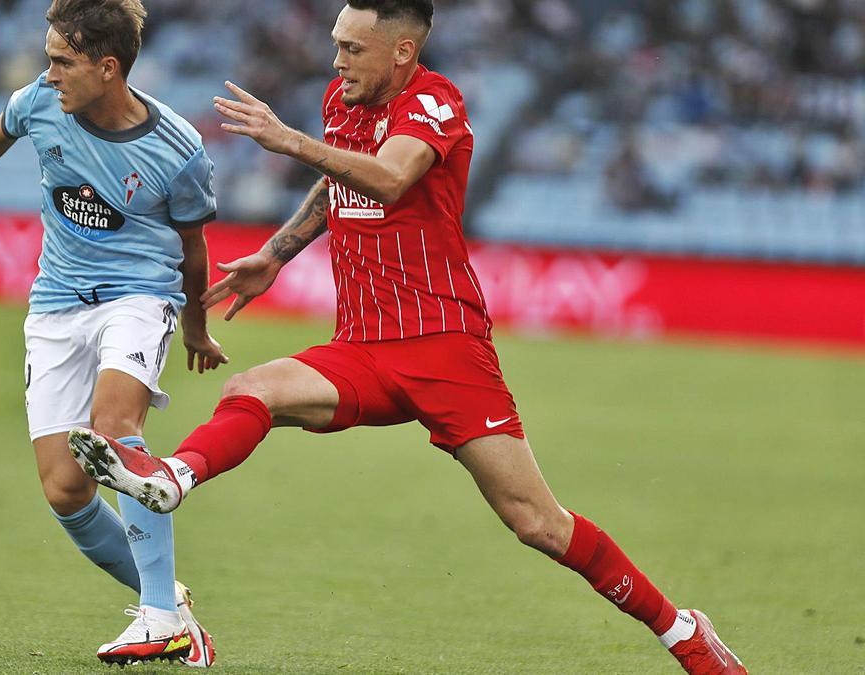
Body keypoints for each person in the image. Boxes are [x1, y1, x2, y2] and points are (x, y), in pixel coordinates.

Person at [68, 2, 748, 673]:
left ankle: (682, 628)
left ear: (401, 50)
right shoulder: (344, 99)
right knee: (256, 388)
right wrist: (277, 253)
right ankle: (172, 477)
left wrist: (288, 139)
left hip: (444, 346)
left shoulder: (437, 102)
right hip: (362, 345)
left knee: (537, 522)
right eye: (336, 44)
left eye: (352, 48)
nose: (337, 60)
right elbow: (339, 178)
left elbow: (391, 176)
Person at [0, 0, 224, 666]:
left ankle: (158, 617)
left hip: (136, 298)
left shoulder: (179, 149)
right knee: (65, 489)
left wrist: (194, 324)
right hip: (54, 306)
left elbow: (193, 246)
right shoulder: (41, 102)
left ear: (108, 68)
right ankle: (169, 602)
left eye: (61, 61)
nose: (47, 75)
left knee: (115, 431)